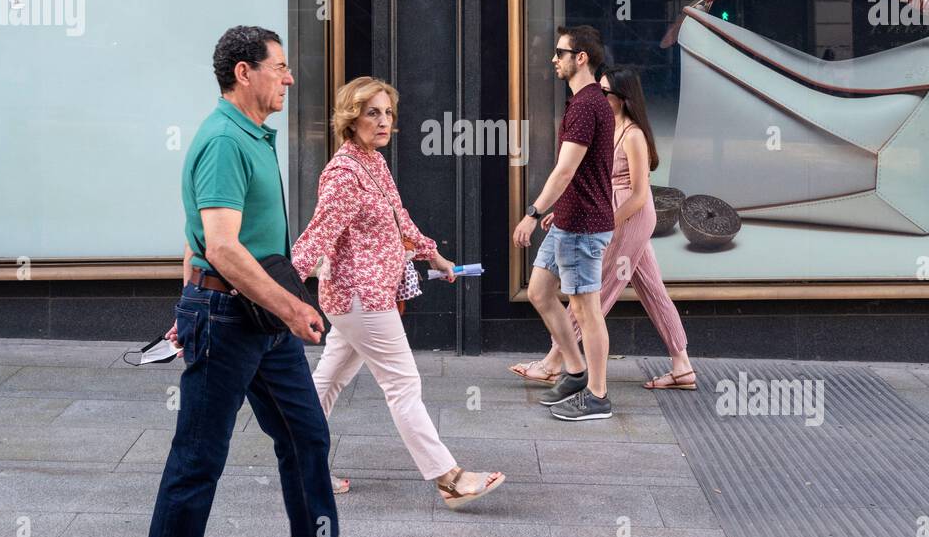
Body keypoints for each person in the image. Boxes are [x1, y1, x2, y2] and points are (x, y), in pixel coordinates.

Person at [145, 26, 392, 537]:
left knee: (306, 435)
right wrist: (287, 307)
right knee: (198, 461)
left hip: (256, 318)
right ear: (243, 72)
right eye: (278, 66)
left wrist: (188, 299)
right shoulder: (224, 141)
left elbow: (194, 240)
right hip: (232, 318)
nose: (288, 77)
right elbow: (221, 246)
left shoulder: (252, 134)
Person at [292, 77, 505, 508]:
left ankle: (301, 469)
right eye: (373, 113)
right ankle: (449, 478)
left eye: (388, 112)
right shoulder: (343, 173)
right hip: (360, 298)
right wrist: (277, 292)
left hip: (367, 295)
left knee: (327, 380)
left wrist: (434, 256)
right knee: (403, 384)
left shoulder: (373, 162)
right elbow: (315, 237)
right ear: (351, 119)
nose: (384, 121)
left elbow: (399, 220)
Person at [509, 66, 696, 391]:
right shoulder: (607, 127)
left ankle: (554, 362)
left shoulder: (633, 134)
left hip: (628, 216)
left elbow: (639, 196)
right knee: (652, 289)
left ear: (623, 98)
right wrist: (567, 212)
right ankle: (682, 366)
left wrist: (602, 223)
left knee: (596, 291)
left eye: (605, 92)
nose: (599, 96)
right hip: (609, 212)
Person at [512, 25, 616, 421]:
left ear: (581, 58)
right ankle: (574, 371)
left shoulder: (588, 105)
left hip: (583, 227)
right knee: (540, 291)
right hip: (571, 219)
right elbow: (583, 172)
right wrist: (559, 209)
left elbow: (565, 170)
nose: (554, 59)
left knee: (586, 309)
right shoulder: (585, 103)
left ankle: (598, 395)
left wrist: (532, 212)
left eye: (561, 52)